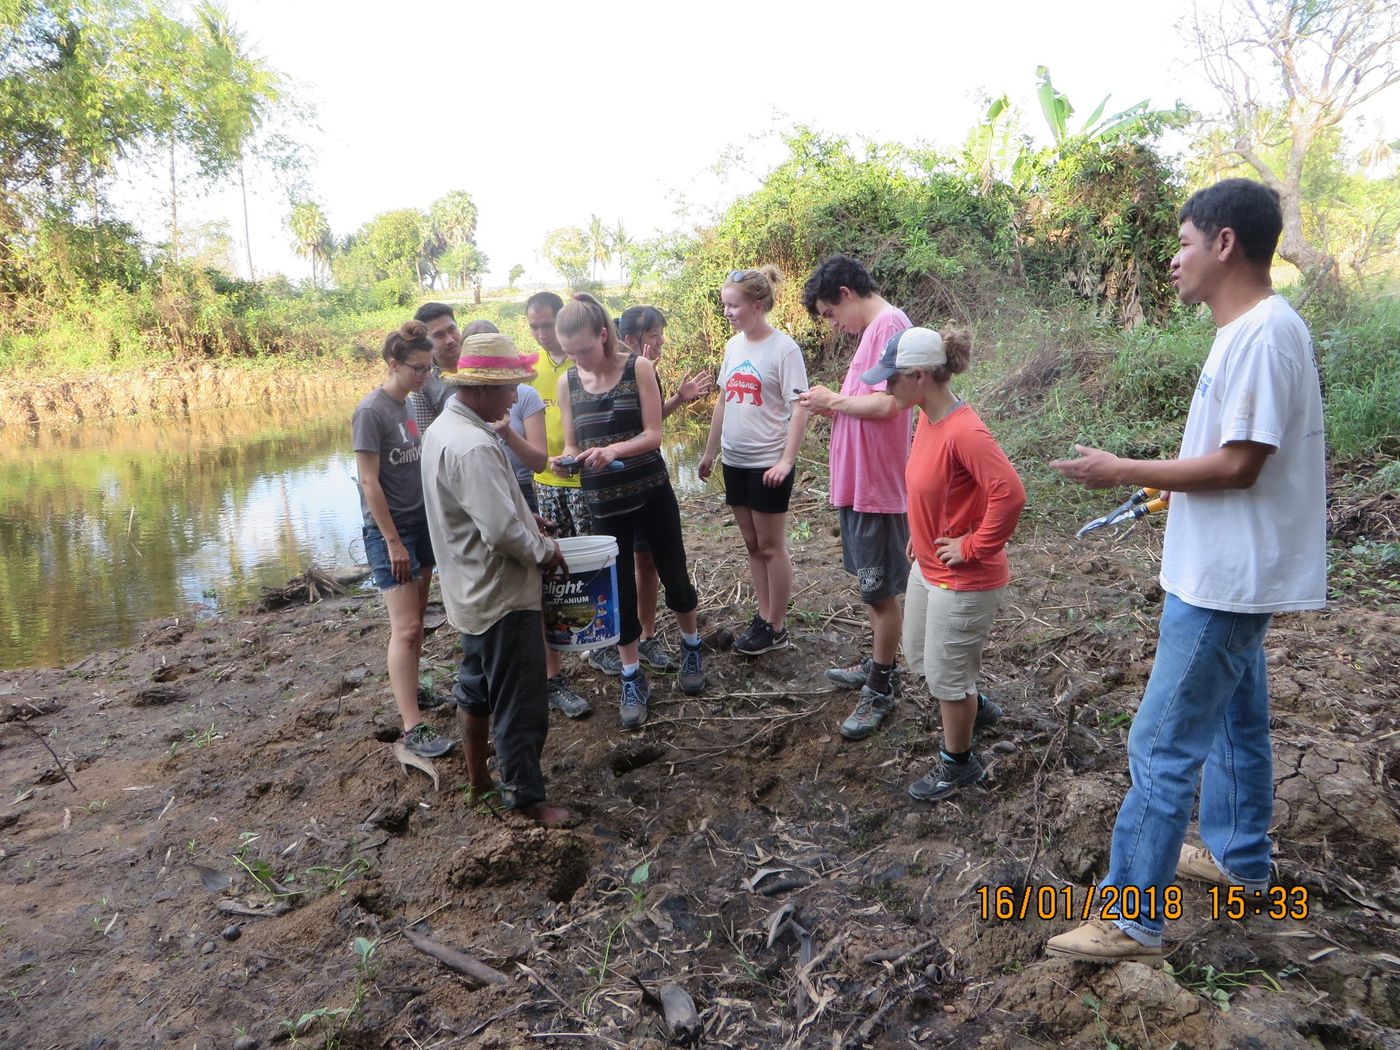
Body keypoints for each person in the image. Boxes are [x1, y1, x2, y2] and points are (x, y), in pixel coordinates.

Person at [1044, 179, 1326, 963]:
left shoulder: (1265, 334)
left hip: (1225, 582)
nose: (1174, 259)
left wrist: (1122, 469)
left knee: (1162, 744)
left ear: (1225, 244)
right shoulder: (1244, 331)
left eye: (1185, 243)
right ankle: (1241, 864)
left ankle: (1130, 919)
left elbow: (1240, 466)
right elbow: (1236, 461)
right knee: (1236, 725)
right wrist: (1163, 489)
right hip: (1223, 569)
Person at [420, 331, 571, 826]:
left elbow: (484, 510)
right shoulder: (472, 446)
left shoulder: (445, 428)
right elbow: (502, 533)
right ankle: (527, 800)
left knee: (476, 686)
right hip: (502, 594)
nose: (514, 398)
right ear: (482, 389)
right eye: (509, 388)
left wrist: (531, 520)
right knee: (520, 702)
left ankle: (478, 778)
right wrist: (545, 549)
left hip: (466, 591)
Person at [859, 328, 1024, 781]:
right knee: (920, 656)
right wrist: (921, 530)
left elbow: (1009, 495)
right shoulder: (925, 420)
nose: (883, 386)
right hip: (928, 565)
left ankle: (958, 765)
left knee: (947, 679)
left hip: (965, 577)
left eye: (890, 378)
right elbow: (934, 489)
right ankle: (973, 705)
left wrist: (972, 545)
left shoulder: (964, 430)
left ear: (918, 377)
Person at [552, 293, 708, 728]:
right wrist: (566, 460)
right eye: (571, 354)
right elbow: (572, 442)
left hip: (651, 490)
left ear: (603, 336)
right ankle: (630, 675)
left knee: (673, 571)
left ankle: (691, 648)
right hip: (603, 500)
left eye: (584, 350)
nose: (579, 360)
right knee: (618, 591)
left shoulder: (637, 368)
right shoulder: (567, 383)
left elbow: (654, 434)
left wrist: (612, 449)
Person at [798, 255, 914, 739]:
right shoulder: (873, 331)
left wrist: (837, 402)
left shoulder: (891, 325)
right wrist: (834, 408)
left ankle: (881, 687)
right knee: (872, 589)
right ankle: (876, 664)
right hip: (858, 483)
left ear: (845, 294)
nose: (834, 323)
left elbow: (893, 403)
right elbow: (865, 402)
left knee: (880, 592)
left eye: (829, 313)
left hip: (877, 487)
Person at [351, 321, 453, 759]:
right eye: (416, 369)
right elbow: (369, 482)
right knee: (406, 627)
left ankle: (412, 691)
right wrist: (393, 542)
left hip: (422, 522)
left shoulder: (408, 404)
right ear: (393, 363)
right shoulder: (371, 411)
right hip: (391, 532)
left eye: (428, 369)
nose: (423, 377)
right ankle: (412, 726)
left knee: (418, 621)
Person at [697, 267, 810, 656]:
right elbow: (724, 401)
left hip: (768, 462)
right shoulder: (733, 347)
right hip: (736, 460)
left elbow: (800, 409)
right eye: (724, 305)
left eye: (733, 305)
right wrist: (710, 452)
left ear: (757, 305)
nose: (727, 312)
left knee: (771, 545)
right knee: (751, 543)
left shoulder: (784, 349)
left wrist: (786, 460)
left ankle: (775, 625)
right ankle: (763, 616)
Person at [617, 304, 713, 671]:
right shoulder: (607, 375)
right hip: (621, 487)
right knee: (637, 563)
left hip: (651, 483)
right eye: (654, 336)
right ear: (630, 340)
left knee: (658, 561)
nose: (660, 342)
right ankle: (644, 635)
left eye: (660, 335)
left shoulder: (646, 372)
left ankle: (657, 637)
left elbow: (651, 425)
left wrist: (678, 397)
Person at [523, 291, 594, 718]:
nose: (542, 333)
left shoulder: (580, 358)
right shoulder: (528, 371)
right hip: (544, 479)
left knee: (589, 558)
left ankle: (596, 639)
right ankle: (563, 646)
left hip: (585, 475)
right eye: (534, 326)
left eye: (547, 324)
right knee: (556, 563)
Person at [407, 302, 461, 434]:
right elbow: (425, 436)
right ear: (426, 341)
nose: (450, 340)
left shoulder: (481, 362)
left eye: (452, 330)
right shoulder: (423, 384)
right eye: (439, 335)